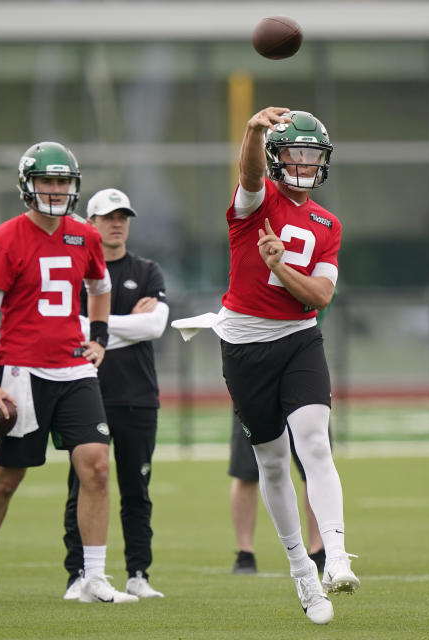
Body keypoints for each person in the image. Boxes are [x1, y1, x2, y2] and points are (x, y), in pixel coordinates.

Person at [173, 107, 358, 626]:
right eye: (293, 153)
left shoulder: (327, 223)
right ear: (278, 157)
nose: (302, 163)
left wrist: (280, 266)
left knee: (316, 441)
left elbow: (320, 294)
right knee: (272, 462)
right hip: (244, 344)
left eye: (311, 155)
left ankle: (337, 555)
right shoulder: (256, 204)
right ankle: (301, 569)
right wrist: (254, 130)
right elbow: (250, 176)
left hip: (299, 338)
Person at [0, 142, 137, 605]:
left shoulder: (85, 235)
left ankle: (94, 577)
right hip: (22, 371)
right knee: (6, 478)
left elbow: (101, 286)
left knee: (97, 467)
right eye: (47, 181)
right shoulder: (1, 240)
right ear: (27, 186)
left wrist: (98, 336)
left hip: (74, 368)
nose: (56, 190)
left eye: (62, 181)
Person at [62, 188, 168, 600]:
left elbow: (155, 327)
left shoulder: (146, 270)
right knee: (81, 485)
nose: (117, 223)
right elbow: (72, 326)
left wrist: (101, 327)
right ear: (91, 223)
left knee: (137, 490)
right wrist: (121, 324)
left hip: (139, 395)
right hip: (86, 393)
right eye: (108, 217)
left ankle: (138, 574)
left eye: (123, 216)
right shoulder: (76, 274)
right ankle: (77, 576)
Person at [229, 296, 335, 575]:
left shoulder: (310, 265)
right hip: (256, 374)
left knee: (316, 462)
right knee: (247, 471)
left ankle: (321, 549)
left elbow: (321, 295)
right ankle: (245, 552)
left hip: (299, 373)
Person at [229, 419, 324, 575]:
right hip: (254, 397)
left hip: (301, 397)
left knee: (316, 469)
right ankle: (245, 552)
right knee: (245, 472)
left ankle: (318, 551)